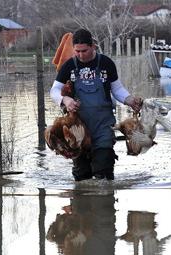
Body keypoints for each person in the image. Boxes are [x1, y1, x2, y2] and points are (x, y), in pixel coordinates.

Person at [50, 29, 142, 181]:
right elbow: (54, 90)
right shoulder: (69, 66)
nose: (80, 55)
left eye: (84, 50)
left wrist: (130, 100)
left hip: (103, 124)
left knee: (104, 171)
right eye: (77, 51)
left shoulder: (106, 63)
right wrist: (66, 100)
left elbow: (117, 89)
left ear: (93, 46)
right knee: (82, 175)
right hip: (77, 127)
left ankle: (105, 202)